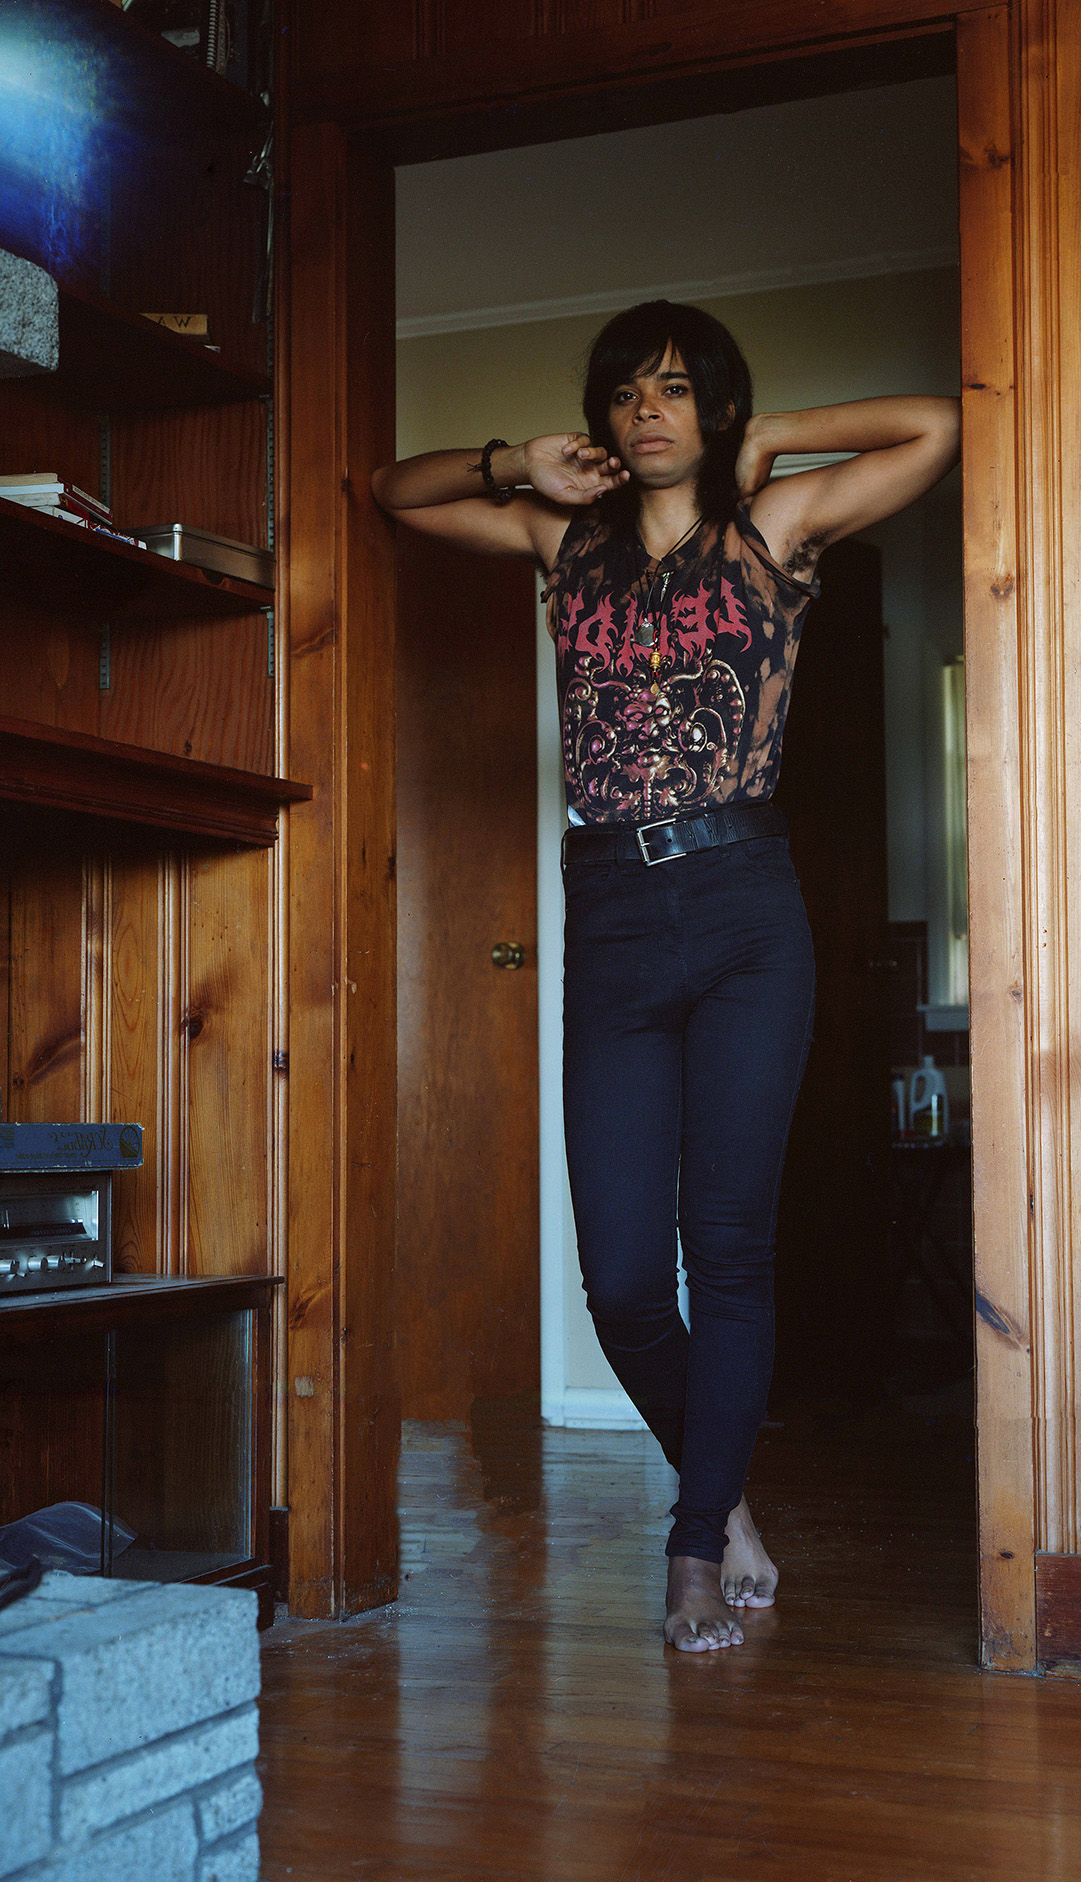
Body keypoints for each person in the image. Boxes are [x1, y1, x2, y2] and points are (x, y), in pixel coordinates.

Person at [372, 301, 960, 1651]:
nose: (648, 410)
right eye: (628, 392)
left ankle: (695, 1546)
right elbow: (391, 495)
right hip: (617, 911)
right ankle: (728, 1490)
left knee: (731, 1249)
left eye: (679, 391)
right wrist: (515, 460)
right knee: (627, 1276)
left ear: (715, 412)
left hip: (748, 904)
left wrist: (773, 441)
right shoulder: (560, 545)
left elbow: (943, 424)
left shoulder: (773, 533)